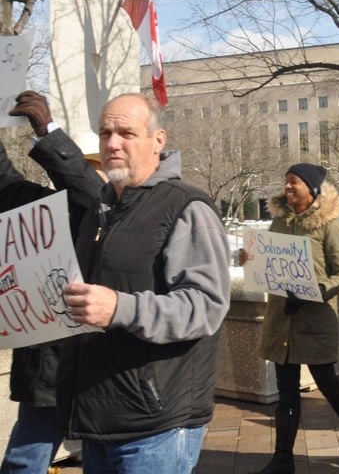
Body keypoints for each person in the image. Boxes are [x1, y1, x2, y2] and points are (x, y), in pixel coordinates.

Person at [57, 93, 231, 473]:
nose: (112, 143)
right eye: (105, 133)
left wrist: (120, 307)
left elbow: (206, 306)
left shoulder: (186, 207)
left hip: (157, 424)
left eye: (126, 133)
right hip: (99, 414)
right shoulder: (100, 210)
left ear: (158, 140)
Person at [0, 91, 104, 474]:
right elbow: (5, 184)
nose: (94, 172)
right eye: (88, 165)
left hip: (104, 372)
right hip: (49, 367)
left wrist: (49, 132)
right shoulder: (48, 209)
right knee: (24, 462)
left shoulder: (112, 209)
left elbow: (92, 197)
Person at [253, 163, 339, 473]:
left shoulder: (329, 224)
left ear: (312, 188)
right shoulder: (279, 221)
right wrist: (251, 260)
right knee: (287, 393)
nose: (288, 188)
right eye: (286, 182)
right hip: (282, 318)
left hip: (315, 319)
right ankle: (283, 458)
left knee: (329, 384)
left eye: (294, 183)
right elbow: (270, 262)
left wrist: (317, 290)